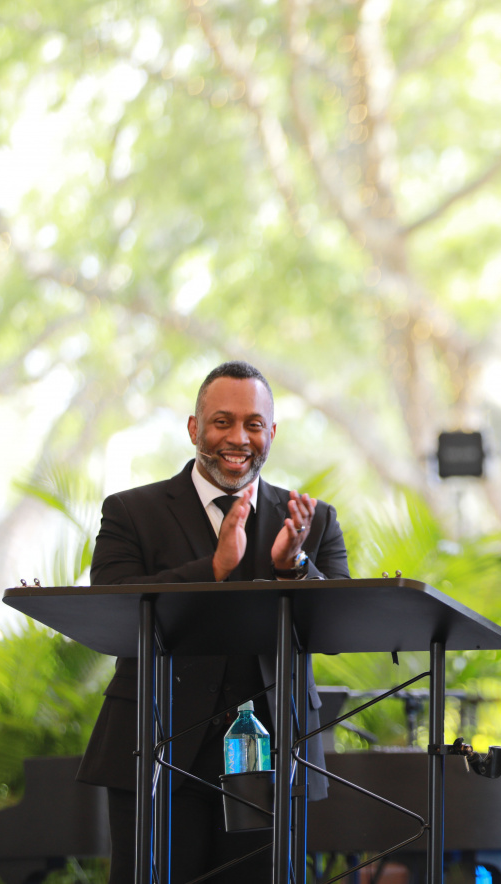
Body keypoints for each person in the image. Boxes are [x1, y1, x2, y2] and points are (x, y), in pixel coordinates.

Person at [76, 360, 348, 884]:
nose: (238, 438)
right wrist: (213, 569)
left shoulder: (312, 521)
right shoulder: (132, 511)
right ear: (194, 428)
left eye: (253, 424)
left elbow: (336, 629)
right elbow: (113, 608)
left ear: (272, 433)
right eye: (222, 422)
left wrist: (293, 565)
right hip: (154, 750)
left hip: (272, 758)